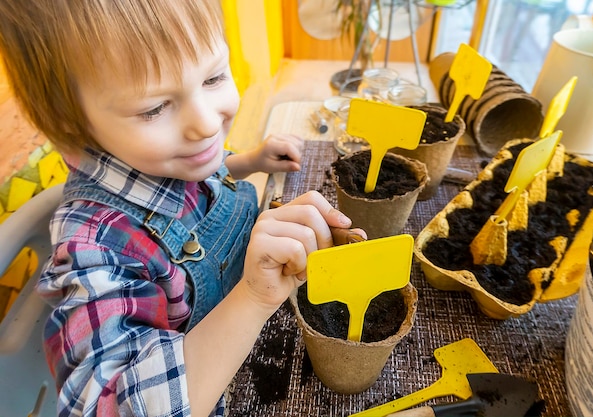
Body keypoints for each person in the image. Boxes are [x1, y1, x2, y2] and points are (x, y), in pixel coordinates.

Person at [0, 1, 365, 416]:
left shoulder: (166, 153)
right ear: (71, 129)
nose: (207, 124)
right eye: (154, 108)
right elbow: (112, 406)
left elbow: (200, 177)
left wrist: (248, 161)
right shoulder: (94, 251)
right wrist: (252, 297)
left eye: (214, 77)